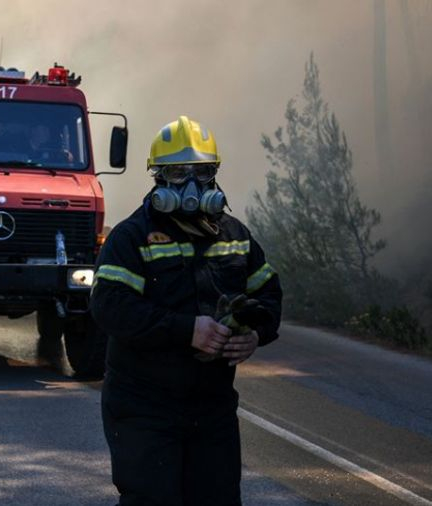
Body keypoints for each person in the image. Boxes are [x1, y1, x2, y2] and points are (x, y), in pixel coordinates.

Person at [90, 116, 283, 505]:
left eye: (202, 172)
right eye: (178, 173)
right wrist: (184, 330)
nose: (192, 185)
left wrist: (254, 335)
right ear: (158, 177)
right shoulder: (131, 237)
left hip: (212, 409)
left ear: (215, 175)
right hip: (143, 407)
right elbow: (110, 307)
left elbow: (268, 294)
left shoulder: (235, 236)